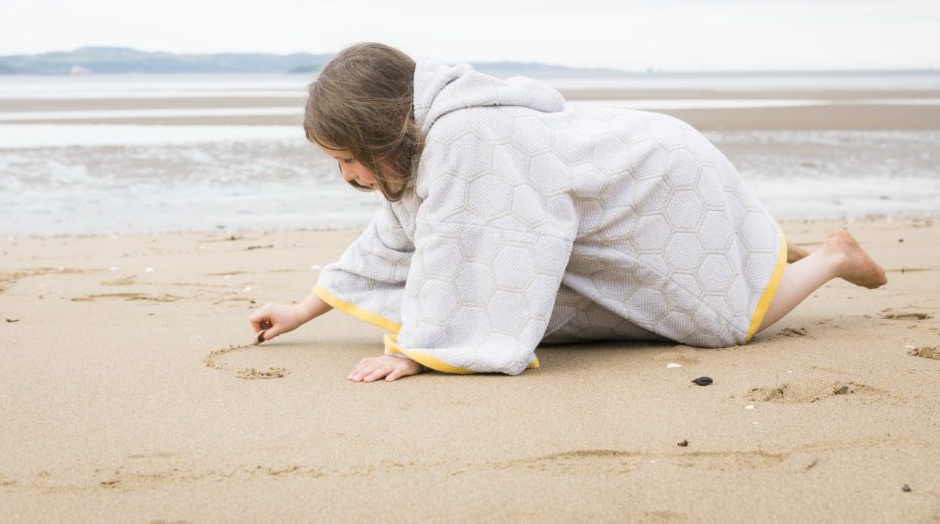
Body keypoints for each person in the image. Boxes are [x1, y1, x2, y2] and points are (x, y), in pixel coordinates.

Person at [248, 43, 887, 382]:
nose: (348, 177)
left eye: (346, 159)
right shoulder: (428, 143)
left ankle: (832, 256)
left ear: (376, 131)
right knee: (693, 295)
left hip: (660, 180)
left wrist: (421, 350)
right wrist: (303, 311)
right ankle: (768, 248)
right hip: (628, 176)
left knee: (723, 320)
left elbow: (467, 246)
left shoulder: (467, 140)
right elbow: (394, 240)